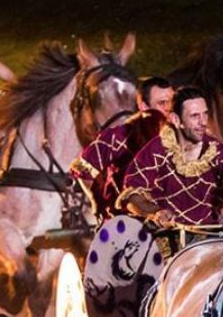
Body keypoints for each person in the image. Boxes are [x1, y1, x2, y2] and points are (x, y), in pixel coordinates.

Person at [117, 86, 223, 229]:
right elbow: (131, 196)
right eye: (195, 116)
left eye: (205, 114)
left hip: (212, 240)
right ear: (176, 119)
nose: (203, 122)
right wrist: (156, 212)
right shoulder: (155, 151)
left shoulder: (217, 151)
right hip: (168, 241)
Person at [71, 76, 175, 219]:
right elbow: (83, 170)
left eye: (172, 102)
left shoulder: (184, 135)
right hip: (127, 225)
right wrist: (100, 205)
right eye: (162, 103)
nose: (169, 108)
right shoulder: (118, 136)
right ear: (144, 107)